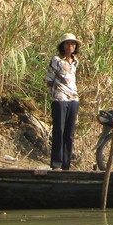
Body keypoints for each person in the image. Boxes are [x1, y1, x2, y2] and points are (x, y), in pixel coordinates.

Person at [45, 33, 80, 170]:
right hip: (60, 98)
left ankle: (67, 164)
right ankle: (57, 163)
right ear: (63, 45)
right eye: (67, 43)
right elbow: (49, 80)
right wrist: (54, 94)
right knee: (59, 130)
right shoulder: (56, 60)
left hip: (73, 98)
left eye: (72, 43)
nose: (70, 46)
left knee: (69, 133)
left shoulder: (75, 61)